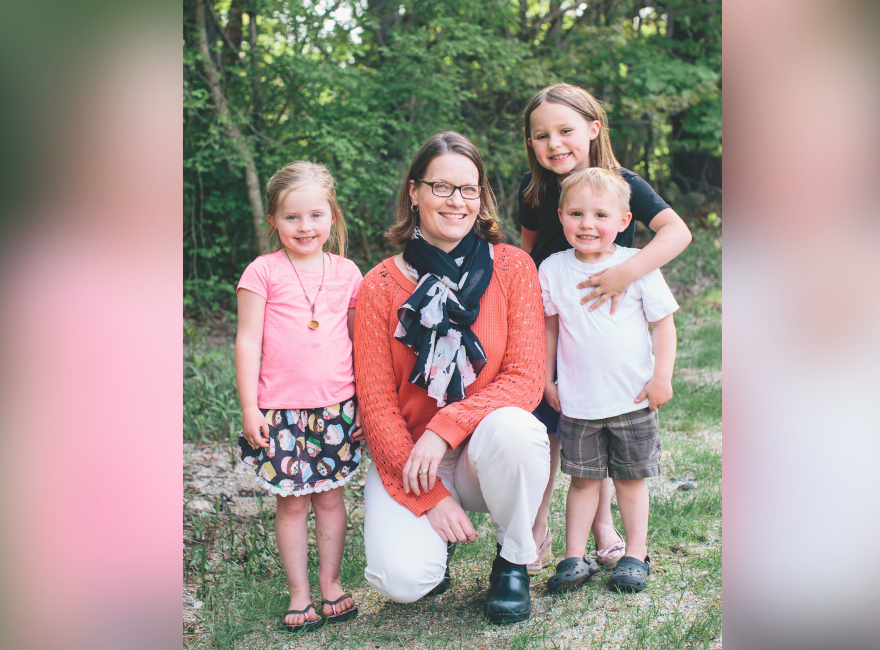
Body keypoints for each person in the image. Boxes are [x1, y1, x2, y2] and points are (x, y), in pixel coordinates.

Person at [354, 131, 549, 624]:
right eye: (442, 187)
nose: (456, 201)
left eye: (468, 189)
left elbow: (526, 378)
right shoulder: (378, 286)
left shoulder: (513, 268)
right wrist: (432, 498)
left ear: (481, 197)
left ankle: (511, 562)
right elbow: (376, 406)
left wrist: (446, 429)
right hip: (411, 459)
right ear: (414, 192)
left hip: (485, 452)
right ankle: (433, 551)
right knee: (400, 581)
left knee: (517, 429)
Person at [518, 83, 692, 572]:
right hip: (557, 312)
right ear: (531, 144)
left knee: (606, 418)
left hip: (610, 316)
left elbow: (678, 231)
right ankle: (537, 526)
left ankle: (603, 527)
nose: (554, 143)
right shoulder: (534, 192)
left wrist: (627, 273)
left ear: (593, 129)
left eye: (566, 130)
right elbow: (529, 252)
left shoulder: (624, 182)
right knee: (553, 428)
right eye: (541, 135)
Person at [234, 161, 365, 632]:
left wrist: (366, 404)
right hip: (280, 410)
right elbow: (247, 340)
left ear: (332, 215)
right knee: (291, 503)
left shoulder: (348, 272)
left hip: (336, 407)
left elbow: (359, 343)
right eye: (292, 217)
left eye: (315, 215)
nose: (305, 227)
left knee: (330, 498)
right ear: (273, 220)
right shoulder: (262, 272)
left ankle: (330, 583)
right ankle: (299, 592)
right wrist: (251, 406)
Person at [539, 168, 679, 593]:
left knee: (630, 481)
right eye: (576, 213)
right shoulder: (553, 269)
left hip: (632, 398)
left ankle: (635, 553)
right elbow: (549, 329)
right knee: (582, 481)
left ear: (623, 220)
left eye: (600, 215)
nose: (587, 224)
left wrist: (662, 377)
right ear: (561, 216)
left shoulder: (633, 266)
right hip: (579, 401)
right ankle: (573, 557)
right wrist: (548, 380)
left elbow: (664, 324)